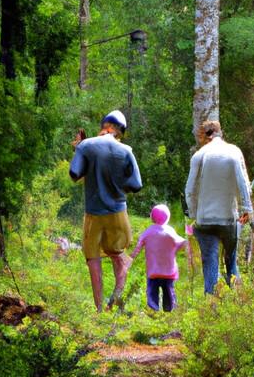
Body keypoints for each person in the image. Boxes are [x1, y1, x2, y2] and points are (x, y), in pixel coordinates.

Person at [69, 109, 142, 312]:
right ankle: (116, 298)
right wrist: (117, 185)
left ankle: (99, 309)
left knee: (93, 259)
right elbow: (136, 185)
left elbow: (74, 173)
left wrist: (80, 151)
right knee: (118, 256)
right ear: (119, 132)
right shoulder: (126, 151)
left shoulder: (86, 146)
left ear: (104, 127)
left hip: (93, 214)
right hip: (118, 213)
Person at [185, 120, 254, 294]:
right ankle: (236, 299)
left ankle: (211, 306)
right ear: (221, 133)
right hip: (228, 219)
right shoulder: (234, 152)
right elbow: (244, 186)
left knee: (210, 262)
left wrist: (195, 215)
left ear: (203, 136)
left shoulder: (199, 155)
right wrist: (250, 216)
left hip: (204, 221)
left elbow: (189, 190)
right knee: (230, 261)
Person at [130, 204, 187, 311]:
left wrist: (131, 258)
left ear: (152, 217)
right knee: (168, 291)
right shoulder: (170, 231)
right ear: (168, 217)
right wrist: (177, 249)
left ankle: (153, 308)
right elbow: (182, 242)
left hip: (153, 271)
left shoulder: (148, 231)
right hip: (168, 271)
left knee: (152, 291)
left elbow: (138, 245)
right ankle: (169, 310)